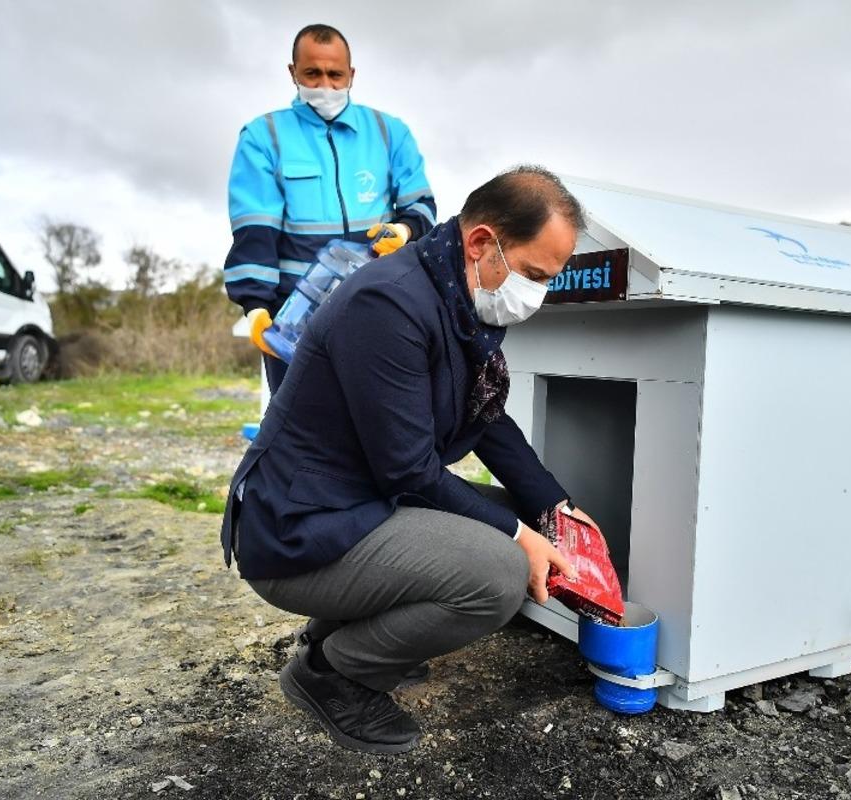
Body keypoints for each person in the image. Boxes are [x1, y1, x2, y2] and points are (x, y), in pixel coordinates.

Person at [220, 166, 601, 754]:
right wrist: (521, 536)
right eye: (533, 275)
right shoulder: (388, 304)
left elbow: (485, 417)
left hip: (357, 505)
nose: (537, 295)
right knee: (499, 573)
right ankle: (333, 674)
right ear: (482, 242)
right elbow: (409, 470)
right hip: (299, 528)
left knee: (517, 519)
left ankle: (344, 631)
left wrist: (555, 507)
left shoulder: (453, 297)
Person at [223, 23, 436, 390]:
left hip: (377, 305)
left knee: (377, 412)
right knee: (299, 418)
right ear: (293, 72)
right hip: (295, 316)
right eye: (313, 73)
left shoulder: (389, 133)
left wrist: (403, 231)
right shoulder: (264, 136)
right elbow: (255, 230)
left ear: (351, 75)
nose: (325, 85)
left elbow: (422, 206)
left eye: (335, 75)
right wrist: (256, 306)